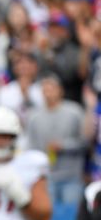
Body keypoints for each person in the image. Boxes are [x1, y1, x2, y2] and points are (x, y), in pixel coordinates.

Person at [25, 74, 86, 206]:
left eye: (51, 89)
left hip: (71, 176)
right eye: (44, 90)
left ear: (60, 90)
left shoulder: (74, 111)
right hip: (46, 177)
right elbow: (30, 146)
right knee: (49, 219)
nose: (48, 93)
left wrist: (64, 145)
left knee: (72, 217)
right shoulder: (33, 116)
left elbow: (85, 142)